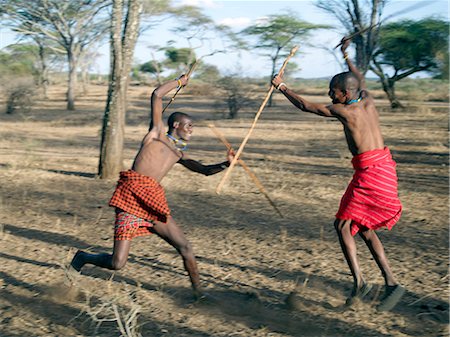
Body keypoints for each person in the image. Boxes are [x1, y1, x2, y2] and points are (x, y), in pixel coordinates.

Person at [69, 75, 234, 300]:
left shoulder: (178, 153)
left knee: (185, 247)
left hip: (152, 204)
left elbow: (203, 170)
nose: (192, 130)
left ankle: (199, 294)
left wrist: (226, 164)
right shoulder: (155, 134)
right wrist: (179, 82)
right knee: (117, 264)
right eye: (189, 125)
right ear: (176, 125)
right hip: (130, 202)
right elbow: (157, 94)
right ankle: (83, 258)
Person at [271, 37, 404, 311]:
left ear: (345, 93)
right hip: (385, 170)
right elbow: (359, 78)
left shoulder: (345, 111)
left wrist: (281, 86)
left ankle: (360, 283)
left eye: (334, 91)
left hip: (370, 173)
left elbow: (306, 106)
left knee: (343, 225)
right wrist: (346, 55)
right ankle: (391, 283)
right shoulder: (367, 99)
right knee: (364, 228)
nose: (330, 95)